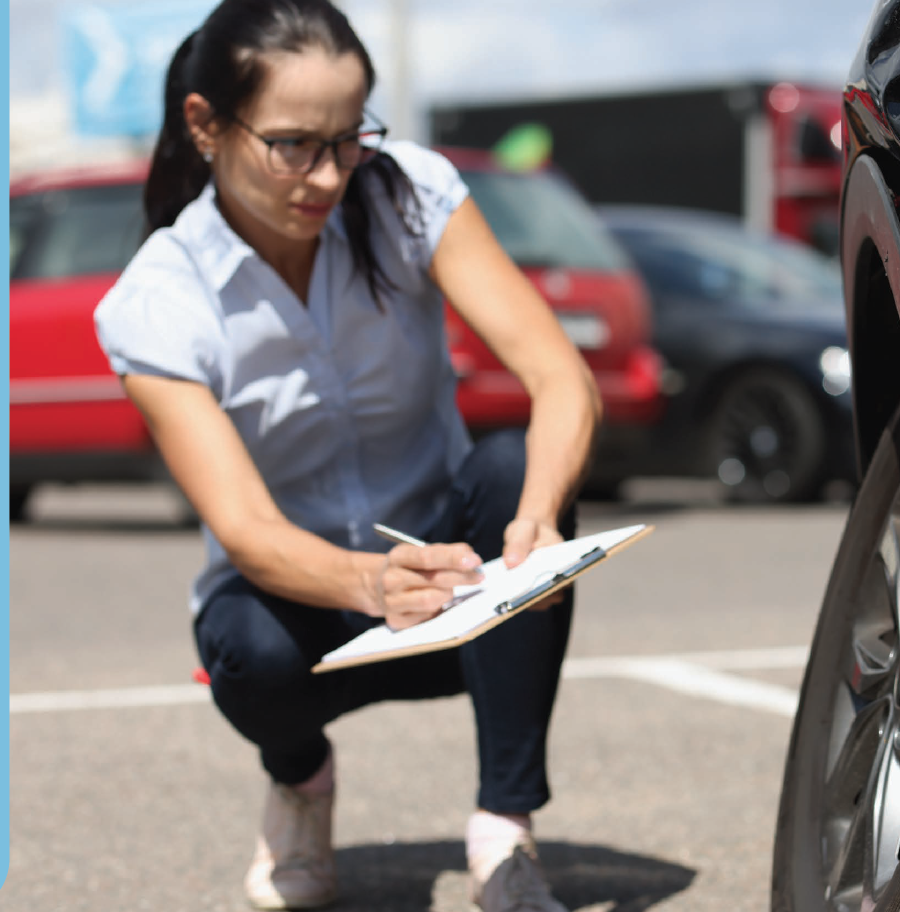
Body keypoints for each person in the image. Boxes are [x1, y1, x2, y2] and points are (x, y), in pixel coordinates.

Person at [94, 1, 599, 908]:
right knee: (245, 651)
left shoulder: (407, 192)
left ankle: (505, 834)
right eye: (293, 144)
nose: (328, 175)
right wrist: (371, 584)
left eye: (348, 138)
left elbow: (562, 378)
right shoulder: (158, 300)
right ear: (206, 125)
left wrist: (536, 517)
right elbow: (245, 530)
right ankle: (302, 782)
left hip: (455, 578)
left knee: (505, 469)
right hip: (309, 606)